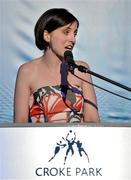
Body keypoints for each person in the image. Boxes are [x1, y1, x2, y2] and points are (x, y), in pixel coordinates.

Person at [14, 8, 100, 123]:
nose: (73, 39)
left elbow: (93, 120)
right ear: (47, 36)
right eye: (66, 32)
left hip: (76, 140)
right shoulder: (26, 71)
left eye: (75, 33)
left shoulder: (81, 69)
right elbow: (20, 123)